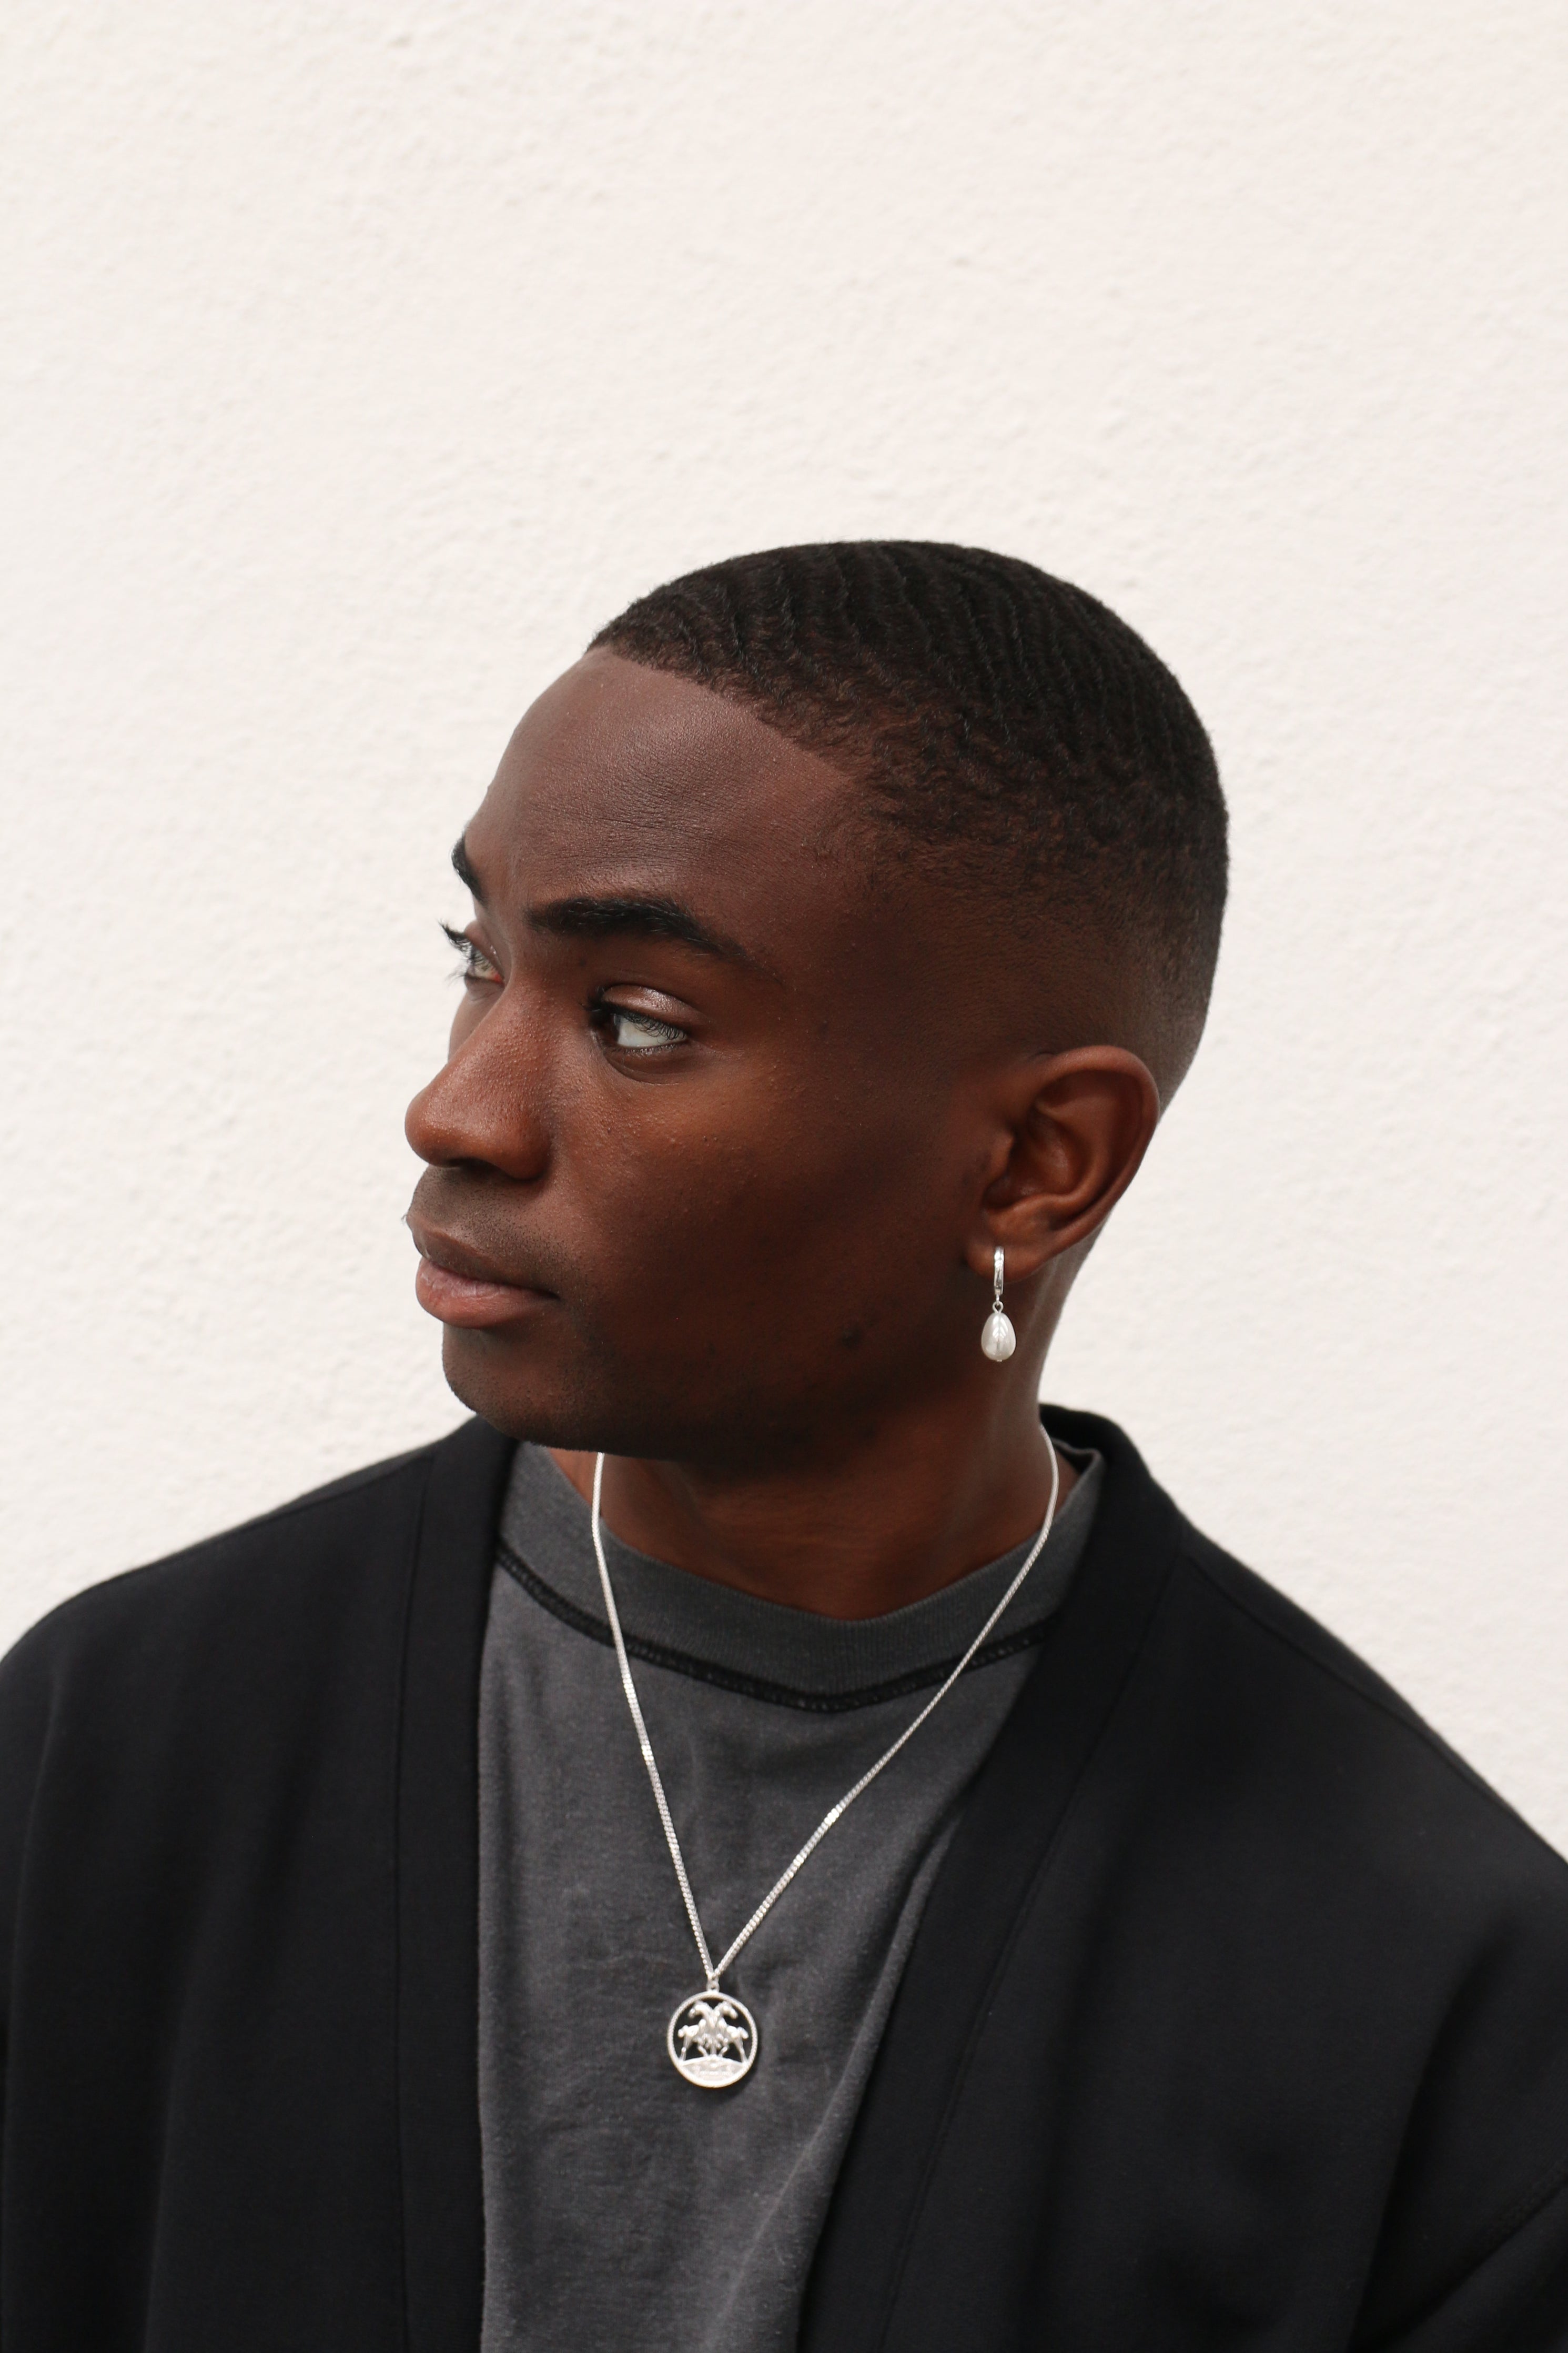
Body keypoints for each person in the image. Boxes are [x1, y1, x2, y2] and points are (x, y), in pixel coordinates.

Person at [1, 542, 1564, 2353]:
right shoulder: (115, 1756)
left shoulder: (1436, 2006)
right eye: (477, 960)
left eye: (636, 1021)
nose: (458, 1107)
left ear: (1035, 1165)